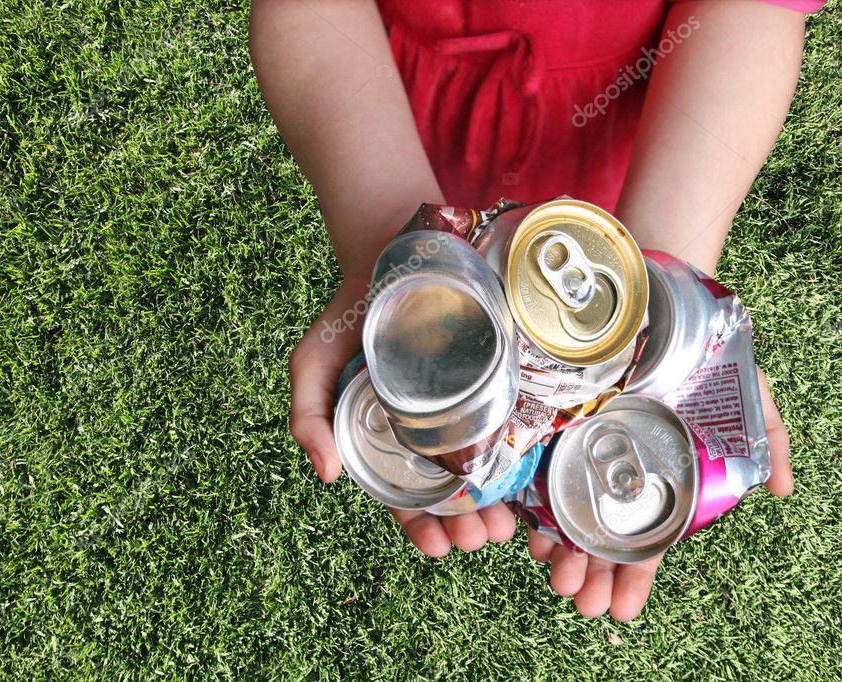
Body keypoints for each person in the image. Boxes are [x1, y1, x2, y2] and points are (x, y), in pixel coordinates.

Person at [250, 0, 820, 621]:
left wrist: (661, 282)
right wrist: (388, 239)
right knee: (523, 257)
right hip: (385, 111)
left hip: (644, 127)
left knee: (571, 254)